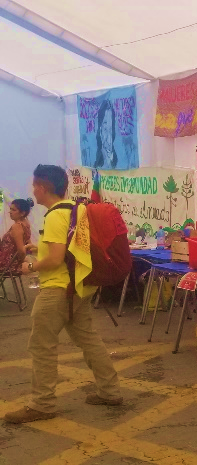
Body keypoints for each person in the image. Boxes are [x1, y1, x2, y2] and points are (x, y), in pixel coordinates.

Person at [4, 165, 122, 424]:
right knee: (89, 340)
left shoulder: (55, 216)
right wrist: (40, 248)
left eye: (34, 185)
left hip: (57, 289)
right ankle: (110, 391)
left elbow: (56, 258)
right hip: (78, 286)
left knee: (41, 345)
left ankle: (42, 404)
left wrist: (31, 266)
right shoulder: (74, 209)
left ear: (43, 187)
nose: (32, 190)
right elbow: (65, 248)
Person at [0, 198, 34, 275]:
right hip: (10, 262)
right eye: (10, 209)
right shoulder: (26, 224)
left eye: (13, 210)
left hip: (7, 264)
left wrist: (23, 262)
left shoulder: (17, 226)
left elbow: (21, 250)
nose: (10, 212)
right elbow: (29, 246)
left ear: (22, 213)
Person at [94, 100, 118, 170]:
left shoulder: (116, 159)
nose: (108, 137)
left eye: (110, 130)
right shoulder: (98, 162)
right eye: (105, 129)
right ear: (100, 129)